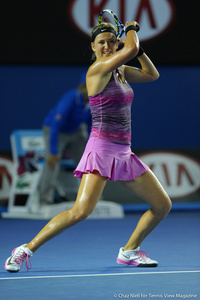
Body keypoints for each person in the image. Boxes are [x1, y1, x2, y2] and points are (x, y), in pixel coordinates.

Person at [5, 20, 171, 272]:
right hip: (102, 148)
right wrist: (132, 29)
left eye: (111, 41)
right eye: (101, 42)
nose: (107, 46)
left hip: (124, 151)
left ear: (117, 43)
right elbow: (131, 48)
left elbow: (152, 75)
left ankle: (129, 251)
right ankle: (24, 250)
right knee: (81, 211)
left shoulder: (121, 70)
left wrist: (140, 50)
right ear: (93, 47)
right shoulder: (97, 71)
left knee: (162, 205)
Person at [38, 74, 91, 204]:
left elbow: (92, 124)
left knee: (89, 164)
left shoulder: (95, 100)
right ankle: (45, 200)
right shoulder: (70, 98)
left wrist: (92, 145)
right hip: (56, 131)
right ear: (82, 87)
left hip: (76, 132)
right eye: (88, 86)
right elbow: (55, 126)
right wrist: (53, 152)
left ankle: (91, 199)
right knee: (52, 162)